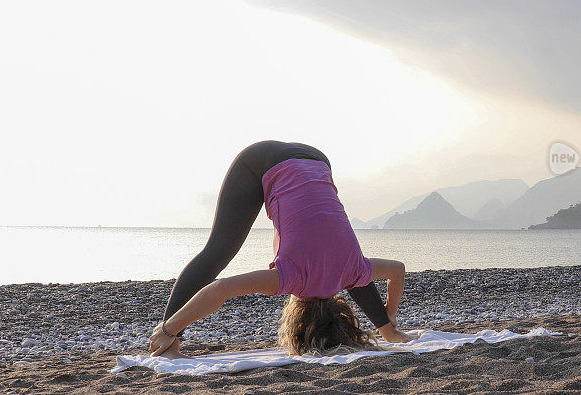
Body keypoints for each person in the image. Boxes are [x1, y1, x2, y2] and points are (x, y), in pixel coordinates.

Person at [150, 140, 417, 358]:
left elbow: (397, 271)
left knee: (355, 268)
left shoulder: (351, 272)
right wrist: (170, 328)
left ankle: (388, 331)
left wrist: (388, 319)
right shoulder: (293, 278)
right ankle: (167, 344)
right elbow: (220, 289)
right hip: (258, 162)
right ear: (297, 322)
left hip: (316, 159)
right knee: (217, 253)